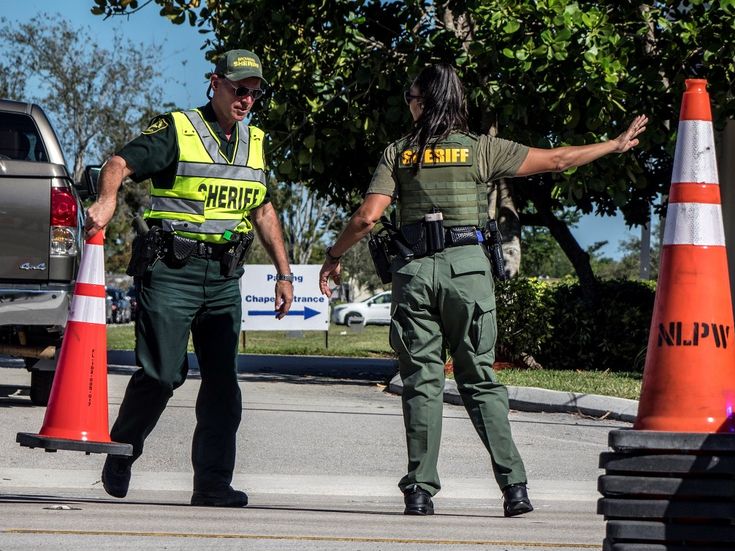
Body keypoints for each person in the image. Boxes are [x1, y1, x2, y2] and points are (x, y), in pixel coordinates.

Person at [319, 64, 646, 517]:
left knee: (421, 384)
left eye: (412, 97)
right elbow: (557, 159)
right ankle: (514, 488)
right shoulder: (482, 150)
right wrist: (614, 144)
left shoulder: (398, 154)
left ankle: (419, 491)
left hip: (414, 276)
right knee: (480, 380)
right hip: (468, 275)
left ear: (427, 102)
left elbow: (367, 218)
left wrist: (334, 255)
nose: (409, 104)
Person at [85, 49, 294, 508]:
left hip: (223, 276)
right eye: (240, 89)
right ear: (214, 83)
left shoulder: (254, 141)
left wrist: (284, 272)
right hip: (172, 273)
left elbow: (261, 207)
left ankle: (213, 484)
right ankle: (122, 451)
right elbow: (117, 164)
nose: (247, 100)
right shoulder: (178, 130)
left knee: (223, 383)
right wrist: (107, 201)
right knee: (163, 375)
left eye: (255, 93)